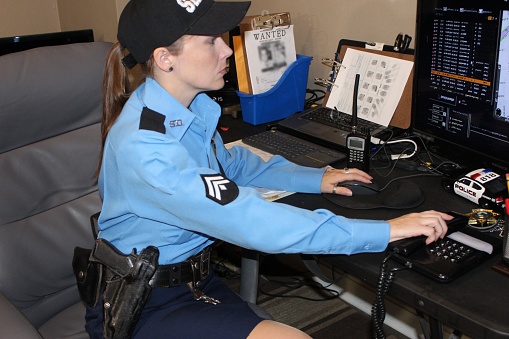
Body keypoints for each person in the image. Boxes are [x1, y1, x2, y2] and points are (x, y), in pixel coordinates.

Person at [85, 0, 452, 338]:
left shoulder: (188, 109)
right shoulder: (145, 147)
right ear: (165, 58)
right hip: (140, 302)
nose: (227, 49)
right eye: (211, 41)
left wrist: (316, 178)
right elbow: (249, 218)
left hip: (193, 282)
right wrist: (382, 231)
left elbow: (232, 166)